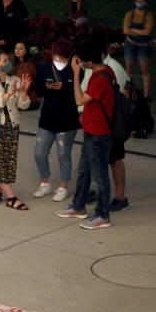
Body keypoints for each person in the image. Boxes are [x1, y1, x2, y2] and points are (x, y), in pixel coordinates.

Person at [56, 40, 116, 229]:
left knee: (99, 176)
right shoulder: (103, 71)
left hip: (99, 134)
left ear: (89, 62)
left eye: (82, 61)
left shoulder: (101, 78)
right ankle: (79, 206)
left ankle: (103, 215)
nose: (80, 64)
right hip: (91, 132)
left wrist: (75, 74)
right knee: (84, 172)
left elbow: (79, 98)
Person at [79, 39, 130, 210]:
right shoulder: (95, 68)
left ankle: (120, 197)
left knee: (114, 158)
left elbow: (117, 97)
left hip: (110, 123)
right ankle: (93, 194)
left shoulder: (112, 69)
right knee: (94, 162)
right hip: (94, 120)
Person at [0, 49, 32, 210]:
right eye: (4, 61)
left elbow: (24, 105)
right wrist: (9, 94)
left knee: (7, 161)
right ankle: (11, 198)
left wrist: (23, 93)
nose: (8, 64)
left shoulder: (14, 79)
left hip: (11, 126)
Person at [32, 40, 81, 202]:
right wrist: (47, 87)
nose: (59, 62)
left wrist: (64, 87)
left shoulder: (75, 71)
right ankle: (45, 183)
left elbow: (79, 92)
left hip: (67, 121)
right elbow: (36, 87)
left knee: (63, 155)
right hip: (47, 119)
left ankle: (63, 187)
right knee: (39, 153)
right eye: (56, 58)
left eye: (62, 59)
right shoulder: (46, 68)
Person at [122, 0, 154, 99]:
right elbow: (126, 30)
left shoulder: (148, 16)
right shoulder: (129, 14)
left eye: (142, 1)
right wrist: (141, 30)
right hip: (130, 44)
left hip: (143, 46)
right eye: (138, 1)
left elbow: (147, 32)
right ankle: (129, 93)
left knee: (145, 70)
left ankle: (147, 95)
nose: (139, 3)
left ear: (146, 3)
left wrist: (134, 30)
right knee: (129, 71)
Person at [10, 41, 39, 108]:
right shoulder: (16, 63)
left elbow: (24, 86)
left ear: (26, 51)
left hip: (29, 100)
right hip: (18, 95)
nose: (17, 51)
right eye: (16, 48)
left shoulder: (29, 65)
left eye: (20, 49)